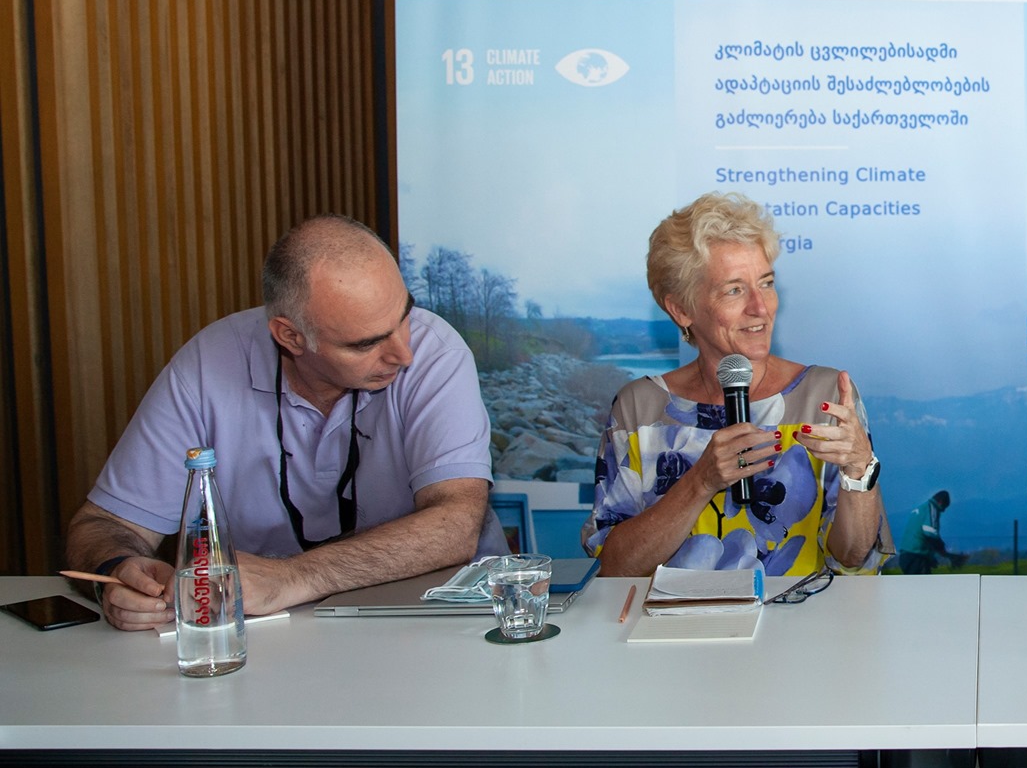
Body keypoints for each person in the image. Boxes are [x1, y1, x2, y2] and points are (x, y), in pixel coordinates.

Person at [65, 215, 499, 630]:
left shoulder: (436, 353)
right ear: (290, 336)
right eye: (365, 344)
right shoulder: (206, 366)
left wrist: (293, 577)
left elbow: (456, 524)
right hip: (265, 634)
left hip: (437, 618)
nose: (403, 353)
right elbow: (103, 525)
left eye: (404, 315)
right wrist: (118, 570)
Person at [584, 193, 887, 577]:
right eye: (734, 290)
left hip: (802, 614)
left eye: (766, 283)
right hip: (674, 617)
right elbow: (614, 567)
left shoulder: (825, 397)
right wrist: (701, 481)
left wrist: (859, 469)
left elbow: (854, 556)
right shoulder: (639, 408)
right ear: (681, 309)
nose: (760, 308)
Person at [899, 490, 966, 574]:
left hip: (906, 555)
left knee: (914, 581)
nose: (943, 511)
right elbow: (930, 533)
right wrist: (942, 548)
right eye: (944, 507)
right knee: (922, 582)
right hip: (916, 556)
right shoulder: (931, 509)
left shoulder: (922, 508)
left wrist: (930, 556)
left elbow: (921, 535)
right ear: (940, 502)